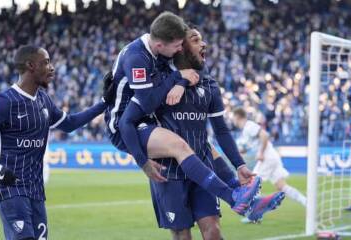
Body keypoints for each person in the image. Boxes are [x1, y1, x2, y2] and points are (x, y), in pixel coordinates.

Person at [105, 11, 262, 219]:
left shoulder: (164, 61)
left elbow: (183, 75)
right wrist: (142, 162)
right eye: (182, 44)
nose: (181, 48)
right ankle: (234, 198)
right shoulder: (139, 58)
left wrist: (182, 81)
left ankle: (241, 192)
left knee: (204, 145)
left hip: (143, 122)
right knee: (178, 145)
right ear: (163, 46)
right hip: (125, 128)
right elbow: (129, 118)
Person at [147, 27, 285, 239]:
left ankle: (246, 200)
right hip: (169, 172)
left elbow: (221, 130)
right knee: (182, 235)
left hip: (203, 169)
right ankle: (247, 201)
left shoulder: (209, 84)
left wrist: (239, 165)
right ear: (180, 47)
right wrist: (179, 79)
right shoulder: (160, 78)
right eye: (196, 40)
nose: (204, 44)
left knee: (214, 233)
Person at [0, 45, 115, 240]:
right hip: (10, 186)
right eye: (46, 62)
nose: (52, 67)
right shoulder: (4, 102)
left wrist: (104, 102)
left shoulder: (43, 100)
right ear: (31, 65)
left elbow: (69, 123)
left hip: (35, 188)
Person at [231, 107, 306, 223]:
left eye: (233, 118)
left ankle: (255, 214)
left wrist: (260, 152)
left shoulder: (249, 126)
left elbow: (265, 135)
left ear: (237, 116)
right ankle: (306, 202)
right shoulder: (246, 130)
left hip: (267, 157)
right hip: (272, 156)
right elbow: (248, 146)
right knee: (282, 186)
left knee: (252, 182)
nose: (232, 121)